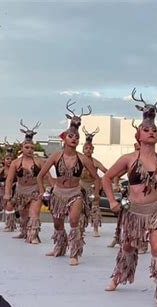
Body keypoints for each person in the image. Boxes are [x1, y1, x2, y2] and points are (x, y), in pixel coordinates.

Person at [103, 88, 157, 307]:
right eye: (146, 129)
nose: (151, 132)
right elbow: (107, 178)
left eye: (154, 130)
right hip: (133, 212)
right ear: (138, 135)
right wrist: (112, 201)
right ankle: (119, 275)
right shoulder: (128, 159)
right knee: (128, 247)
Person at [38, 100, 100, 266]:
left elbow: (97, 177)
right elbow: (40, 175)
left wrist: (96, 195)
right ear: (64, 138)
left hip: (75, 194)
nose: (74, 139)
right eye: (71, 136)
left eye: (77, 137)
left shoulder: (82, 158)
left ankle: (74, 253)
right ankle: (59, 247)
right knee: (58, 223)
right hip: (58, 194)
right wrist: (42, 191)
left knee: (74, 222)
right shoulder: (56, 156)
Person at [4, 121, 44, 243]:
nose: (30, 150)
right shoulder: (16, 163)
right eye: (27, 147)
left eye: (32, 148)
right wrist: (7, 193)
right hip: (20, 192)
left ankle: (34, 235)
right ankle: (24, 232)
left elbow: (47, 176)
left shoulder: (38, 162)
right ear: (22, 148)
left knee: (34, 212)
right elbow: (10, 180)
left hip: (35, 191)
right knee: (23, 215)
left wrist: (54, 188)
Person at [79, 126, 107, 238]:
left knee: (95, 207)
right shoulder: (79, 160)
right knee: (80, 207)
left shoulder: (95, 162)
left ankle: (95, 228)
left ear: (93, 150)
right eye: (86, 148)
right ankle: (81, 227)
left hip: (92, 185)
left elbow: (105, 171)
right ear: (83, 149)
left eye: (90, 148)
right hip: (81, 185)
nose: (88, 150)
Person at [0, 142, 17, 231]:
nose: (9, 161)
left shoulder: (17, 171)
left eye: (11, 159)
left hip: (12, 192)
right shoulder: (0, 171)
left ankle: (10, 225)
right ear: (4, 160)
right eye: (7, 159)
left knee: (10, 207)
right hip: (1, 193)